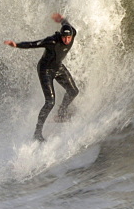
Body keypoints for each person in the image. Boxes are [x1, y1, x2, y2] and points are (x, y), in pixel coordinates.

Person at [5, 12, 79, 142]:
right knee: (50, 102)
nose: (67, 40)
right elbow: (33, 44)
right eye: (64, 38)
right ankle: (37, 133)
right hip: (45, 70)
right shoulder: (51, 41)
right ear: (61, 36)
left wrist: (62, 19)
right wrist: (17, 45)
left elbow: (66, 24)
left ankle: (61, 114)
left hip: (58, 67)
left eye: (69, 38)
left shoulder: (72, 32)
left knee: (73, 91)